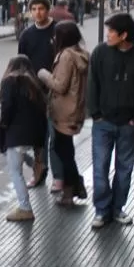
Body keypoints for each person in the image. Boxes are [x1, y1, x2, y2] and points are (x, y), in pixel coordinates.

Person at [87, 13, 134, 228]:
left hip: (129, 124)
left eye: (112, 31)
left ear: (124, 35)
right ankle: (101, 210)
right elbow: (92, 83)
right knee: (100, 168)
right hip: (103, 122)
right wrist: (95, 113)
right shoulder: (100, 52)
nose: (107, 34)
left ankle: (118, 208)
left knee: (125, 169)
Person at [38, 21, 89, 206]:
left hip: (64, 110)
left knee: (63, 150)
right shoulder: (81, 53)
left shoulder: (67, 56)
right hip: (74, 109)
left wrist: (43, 74)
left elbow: (60, 85)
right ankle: (71, 190)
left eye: (56, 35)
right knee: (65, 149)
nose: (53, 39)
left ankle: (74, 186)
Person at [17, 0, 59, 188]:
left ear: (48, 9)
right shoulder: (27, 35)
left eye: (41, 8)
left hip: (57, 90)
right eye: (33, 9)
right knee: (38, 137)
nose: (37, 13)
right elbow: (22, 63)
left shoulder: (58, 30)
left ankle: (59, 178)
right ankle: (39, 172)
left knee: (56, 137)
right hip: (34, 91)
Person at [0, 55, 47, 222]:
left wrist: (3, 126)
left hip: (15, 133)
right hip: (31, 134)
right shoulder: (34, 84)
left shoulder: (9, 82)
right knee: (13, 156)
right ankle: (34, 163)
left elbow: (7, 108)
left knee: (15, 172)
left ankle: (25, 208)